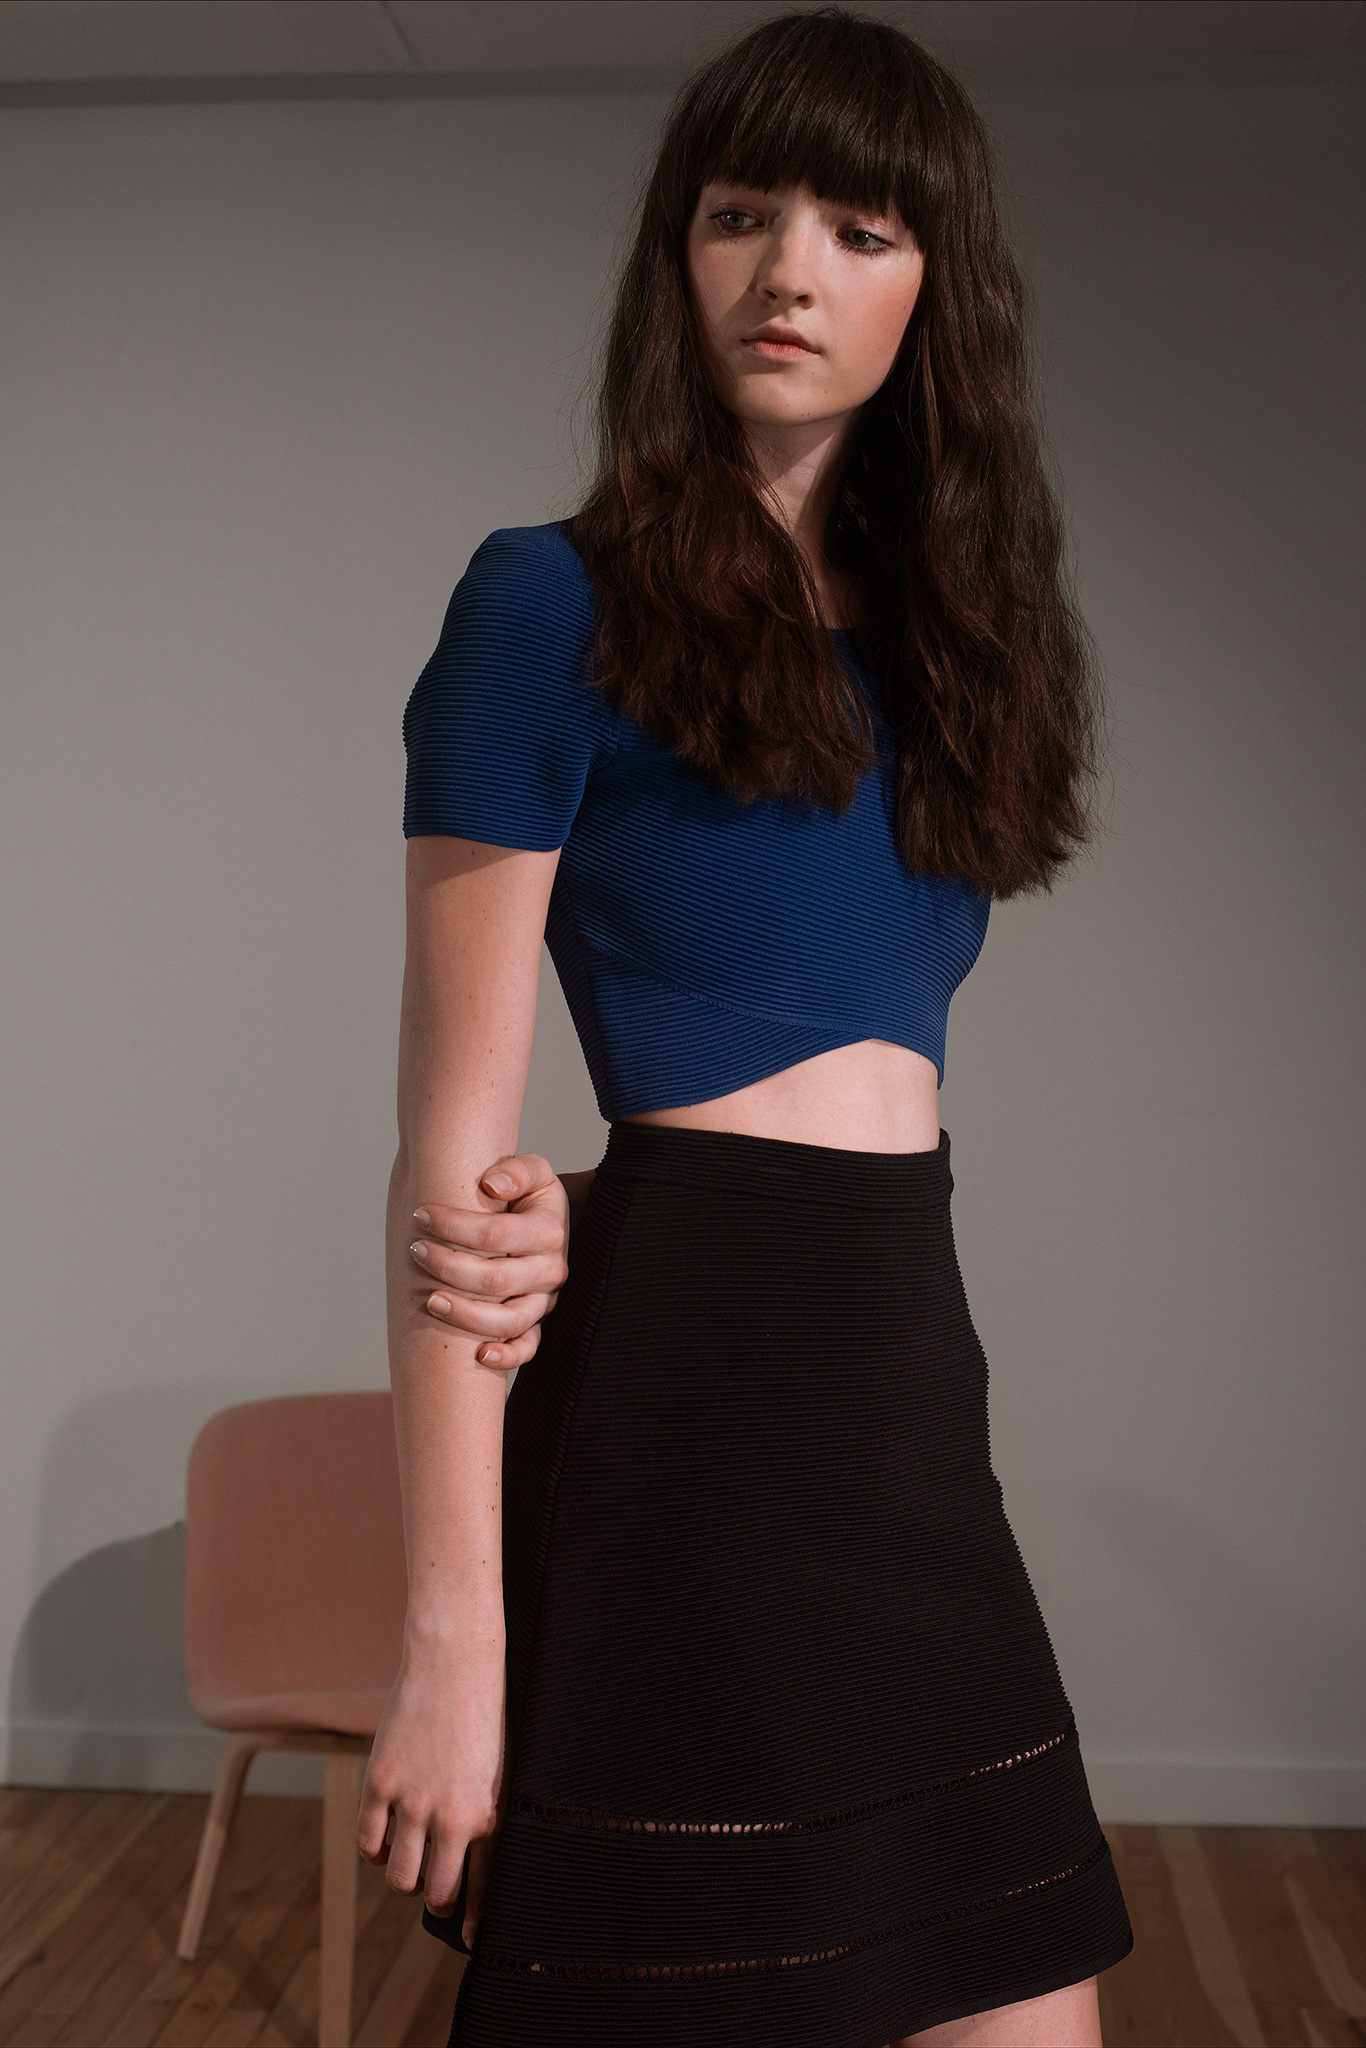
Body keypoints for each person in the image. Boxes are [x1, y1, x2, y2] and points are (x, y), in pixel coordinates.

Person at [357, 8, 1134, 2043]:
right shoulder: (545, 604)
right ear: (676, 255)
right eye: (737, 214)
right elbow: (450, 1177)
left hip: (902, 1384)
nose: (787, 268)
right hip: (678, 1412)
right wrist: (453, 1642)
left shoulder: (960, 649)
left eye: (858, 228)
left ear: (934, 289)